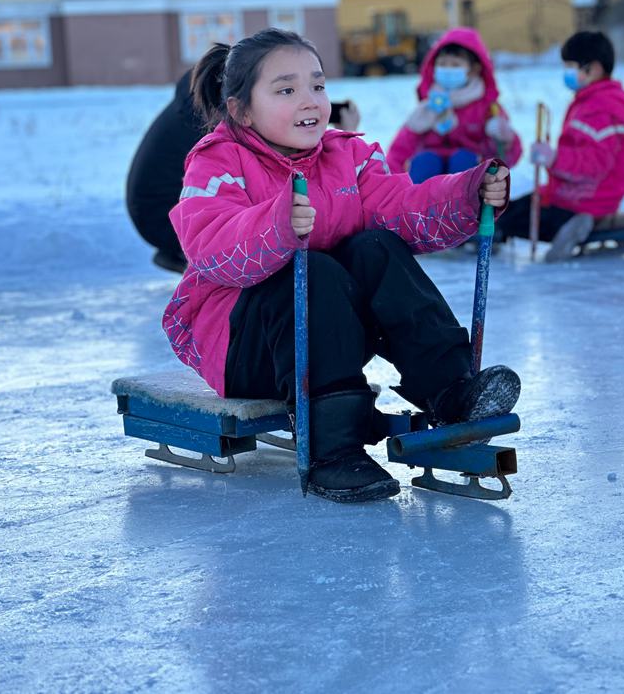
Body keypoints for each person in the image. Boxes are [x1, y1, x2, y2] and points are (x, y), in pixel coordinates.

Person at [163, 28, 520, 504]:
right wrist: (277, 223)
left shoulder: (345, 156)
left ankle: (451, 389)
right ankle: (333, 447)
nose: (309, 101)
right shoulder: (218, 161)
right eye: (286, 90)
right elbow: (211, 248)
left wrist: (466, 193)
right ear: (241, 110)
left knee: (376, 248)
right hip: (247, 345)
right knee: (314, 272)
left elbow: (402, 206)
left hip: (325, 338)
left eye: (317, 85)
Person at [126, 69, 361, 273]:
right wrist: (339, 139)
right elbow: (267, 172)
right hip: (166, 215)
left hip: (150, 210)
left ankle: (179, 253)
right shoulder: (214, 123)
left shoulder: (198, 104)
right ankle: (190, 262)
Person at [496, 30, 624, 263]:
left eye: (571, 66)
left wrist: (554, 158)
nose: (566, 73)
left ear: (593, 69)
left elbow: (595, 164)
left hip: (586, 198)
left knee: (516, 218)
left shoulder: (600, 108)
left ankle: (571, 225)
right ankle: (564, 224)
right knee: (514, 211)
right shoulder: (592, 101)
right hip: (575, 194)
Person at [386, 27, 522, 183]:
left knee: (463, 159)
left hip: (469, 175)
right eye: (442, 64)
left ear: (474, 69)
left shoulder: (487, 108)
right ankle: (415, 205)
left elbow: (505, 158)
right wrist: (392, 182)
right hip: (429, 177)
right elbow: (400, 149)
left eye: (455, 65)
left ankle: (465, 204)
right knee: (425, 161)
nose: (447, 70)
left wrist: (505, 140)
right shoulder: (428, 107)